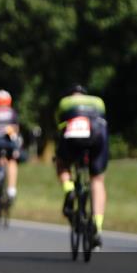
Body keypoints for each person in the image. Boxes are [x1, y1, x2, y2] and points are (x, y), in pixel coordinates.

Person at [55, 84, 109, 247]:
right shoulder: (98, 101)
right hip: (97, 135)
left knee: (61, 163)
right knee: (97, 180)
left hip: (73, 137)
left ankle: (69, 189)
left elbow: (58, 126)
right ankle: (97, 226)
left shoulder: (65, 102)